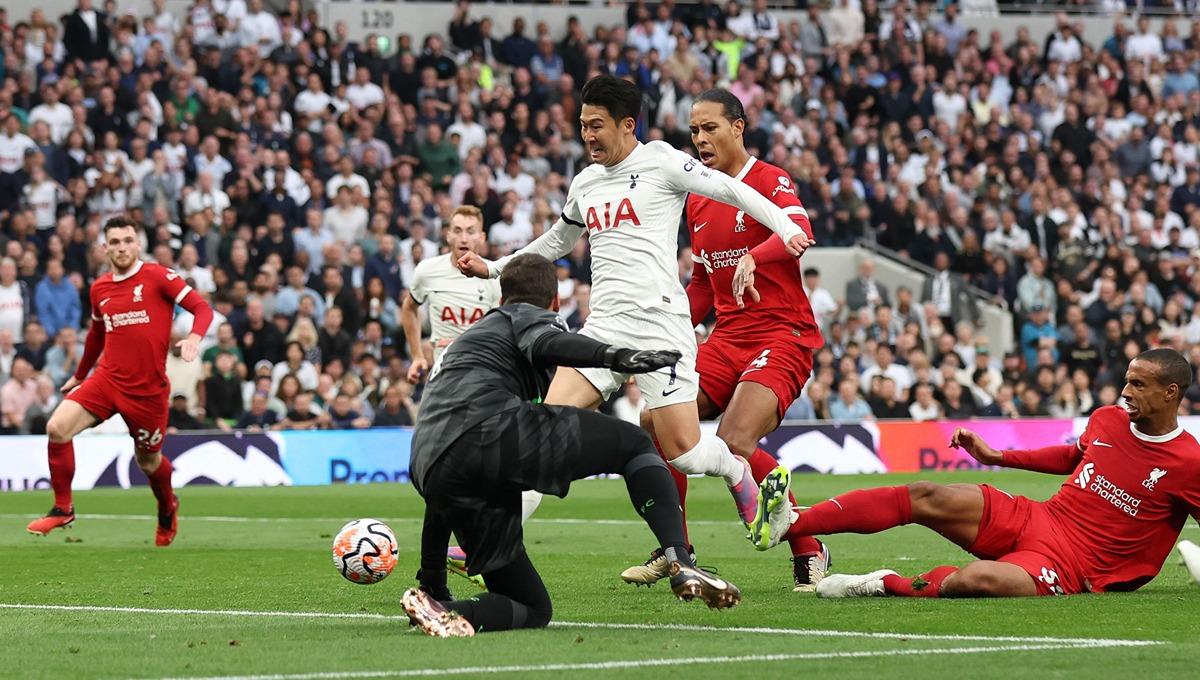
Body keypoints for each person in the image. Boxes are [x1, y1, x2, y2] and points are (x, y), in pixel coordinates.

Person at [457, 75, 811, 537]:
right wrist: (494, 267)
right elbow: (554, 243)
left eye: (597, 125)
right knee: (542, 427)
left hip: (661, 328)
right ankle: (487, 540)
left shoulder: (664, 161)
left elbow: (734, 191)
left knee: (684, 451)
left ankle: (737, 472)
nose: (587, 135)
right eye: (583, 125)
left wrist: (784, 229)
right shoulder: (585, 183)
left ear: (627, 125)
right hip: (602, 328)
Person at [404, 254, 740, 638]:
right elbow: (548, 342)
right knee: (633, 443)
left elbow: (441, 487)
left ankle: (440, 608)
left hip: (430, 461)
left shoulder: (473, 339)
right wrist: (616, 357)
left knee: (532, 608)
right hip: (490, 433)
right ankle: (679, 557)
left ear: (499, 297)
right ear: (553, 302)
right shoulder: (525, 316)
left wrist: (431, 580)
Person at [777, 348, 1200, 598]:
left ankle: (884, 583)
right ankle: (793, 523)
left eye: (1139, 385)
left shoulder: (1188, 462)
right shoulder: (1108, 419)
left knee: (976, 580)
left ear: (1171, 393)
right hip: (1042, 517)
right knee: (928, 494)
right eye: (1127, 381)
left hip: (1075, 566)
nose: (1126, 392)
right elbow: (1073, 455)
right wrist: (997, 456)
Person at [620, 88, 829, 592]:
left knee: (734, 441)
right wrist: (664, 327)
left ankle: (808, 543)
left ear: (738, 126)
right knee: (655, 420)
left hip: (783, 334)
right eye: (693, 131)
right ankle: (677, 552)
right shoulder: (697, 195)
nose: (699, 139)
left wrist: (757, 255)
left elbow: (800, 231)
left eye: (710, 128)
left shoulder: (769, 179)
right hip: (727, 337)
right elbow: (701, 285)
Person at [26, 216, 214, 546]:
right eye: (114, 242)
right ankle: (63, 508)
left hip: (147, 392)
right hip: (107, 380)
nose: (122, 247)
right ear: (105, 248)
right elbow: (97, 335)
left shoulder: (158, 276)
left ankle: (167, 504)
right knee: (57, 428)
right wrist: (80, 375)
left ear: (137, 244)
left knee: (148, 461)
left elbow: (201, 308)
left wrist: (195, 338)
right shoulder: (100, 288)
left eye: (127, 240)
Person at [401, 205, 501, 383]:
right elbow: (409, 307)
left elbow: (501, 330)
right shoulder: (427, 270)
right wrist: (417, 355)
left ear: (482, 237)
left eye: (471, 231)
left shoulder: (495, 276)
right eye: (457, 231)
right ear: (448, 235)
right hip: (443, 373)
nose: (463, 238)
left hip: (483, 372)